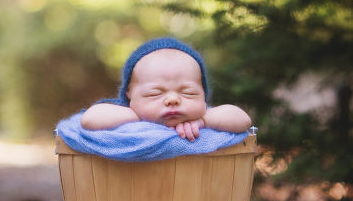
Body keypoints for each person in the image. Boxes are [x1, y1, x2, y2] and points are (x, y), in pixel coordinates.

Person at [80, 37, 252, 141]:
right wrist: (137, 115)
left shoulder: (204, 117)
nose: (173, 99)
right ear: (129, 96)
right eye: (154, 93)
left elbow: (243, 120)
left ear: (203, 95)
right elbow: (89, 120)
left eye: (188, 93)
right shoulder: (124, 111)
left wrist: (204, 121)